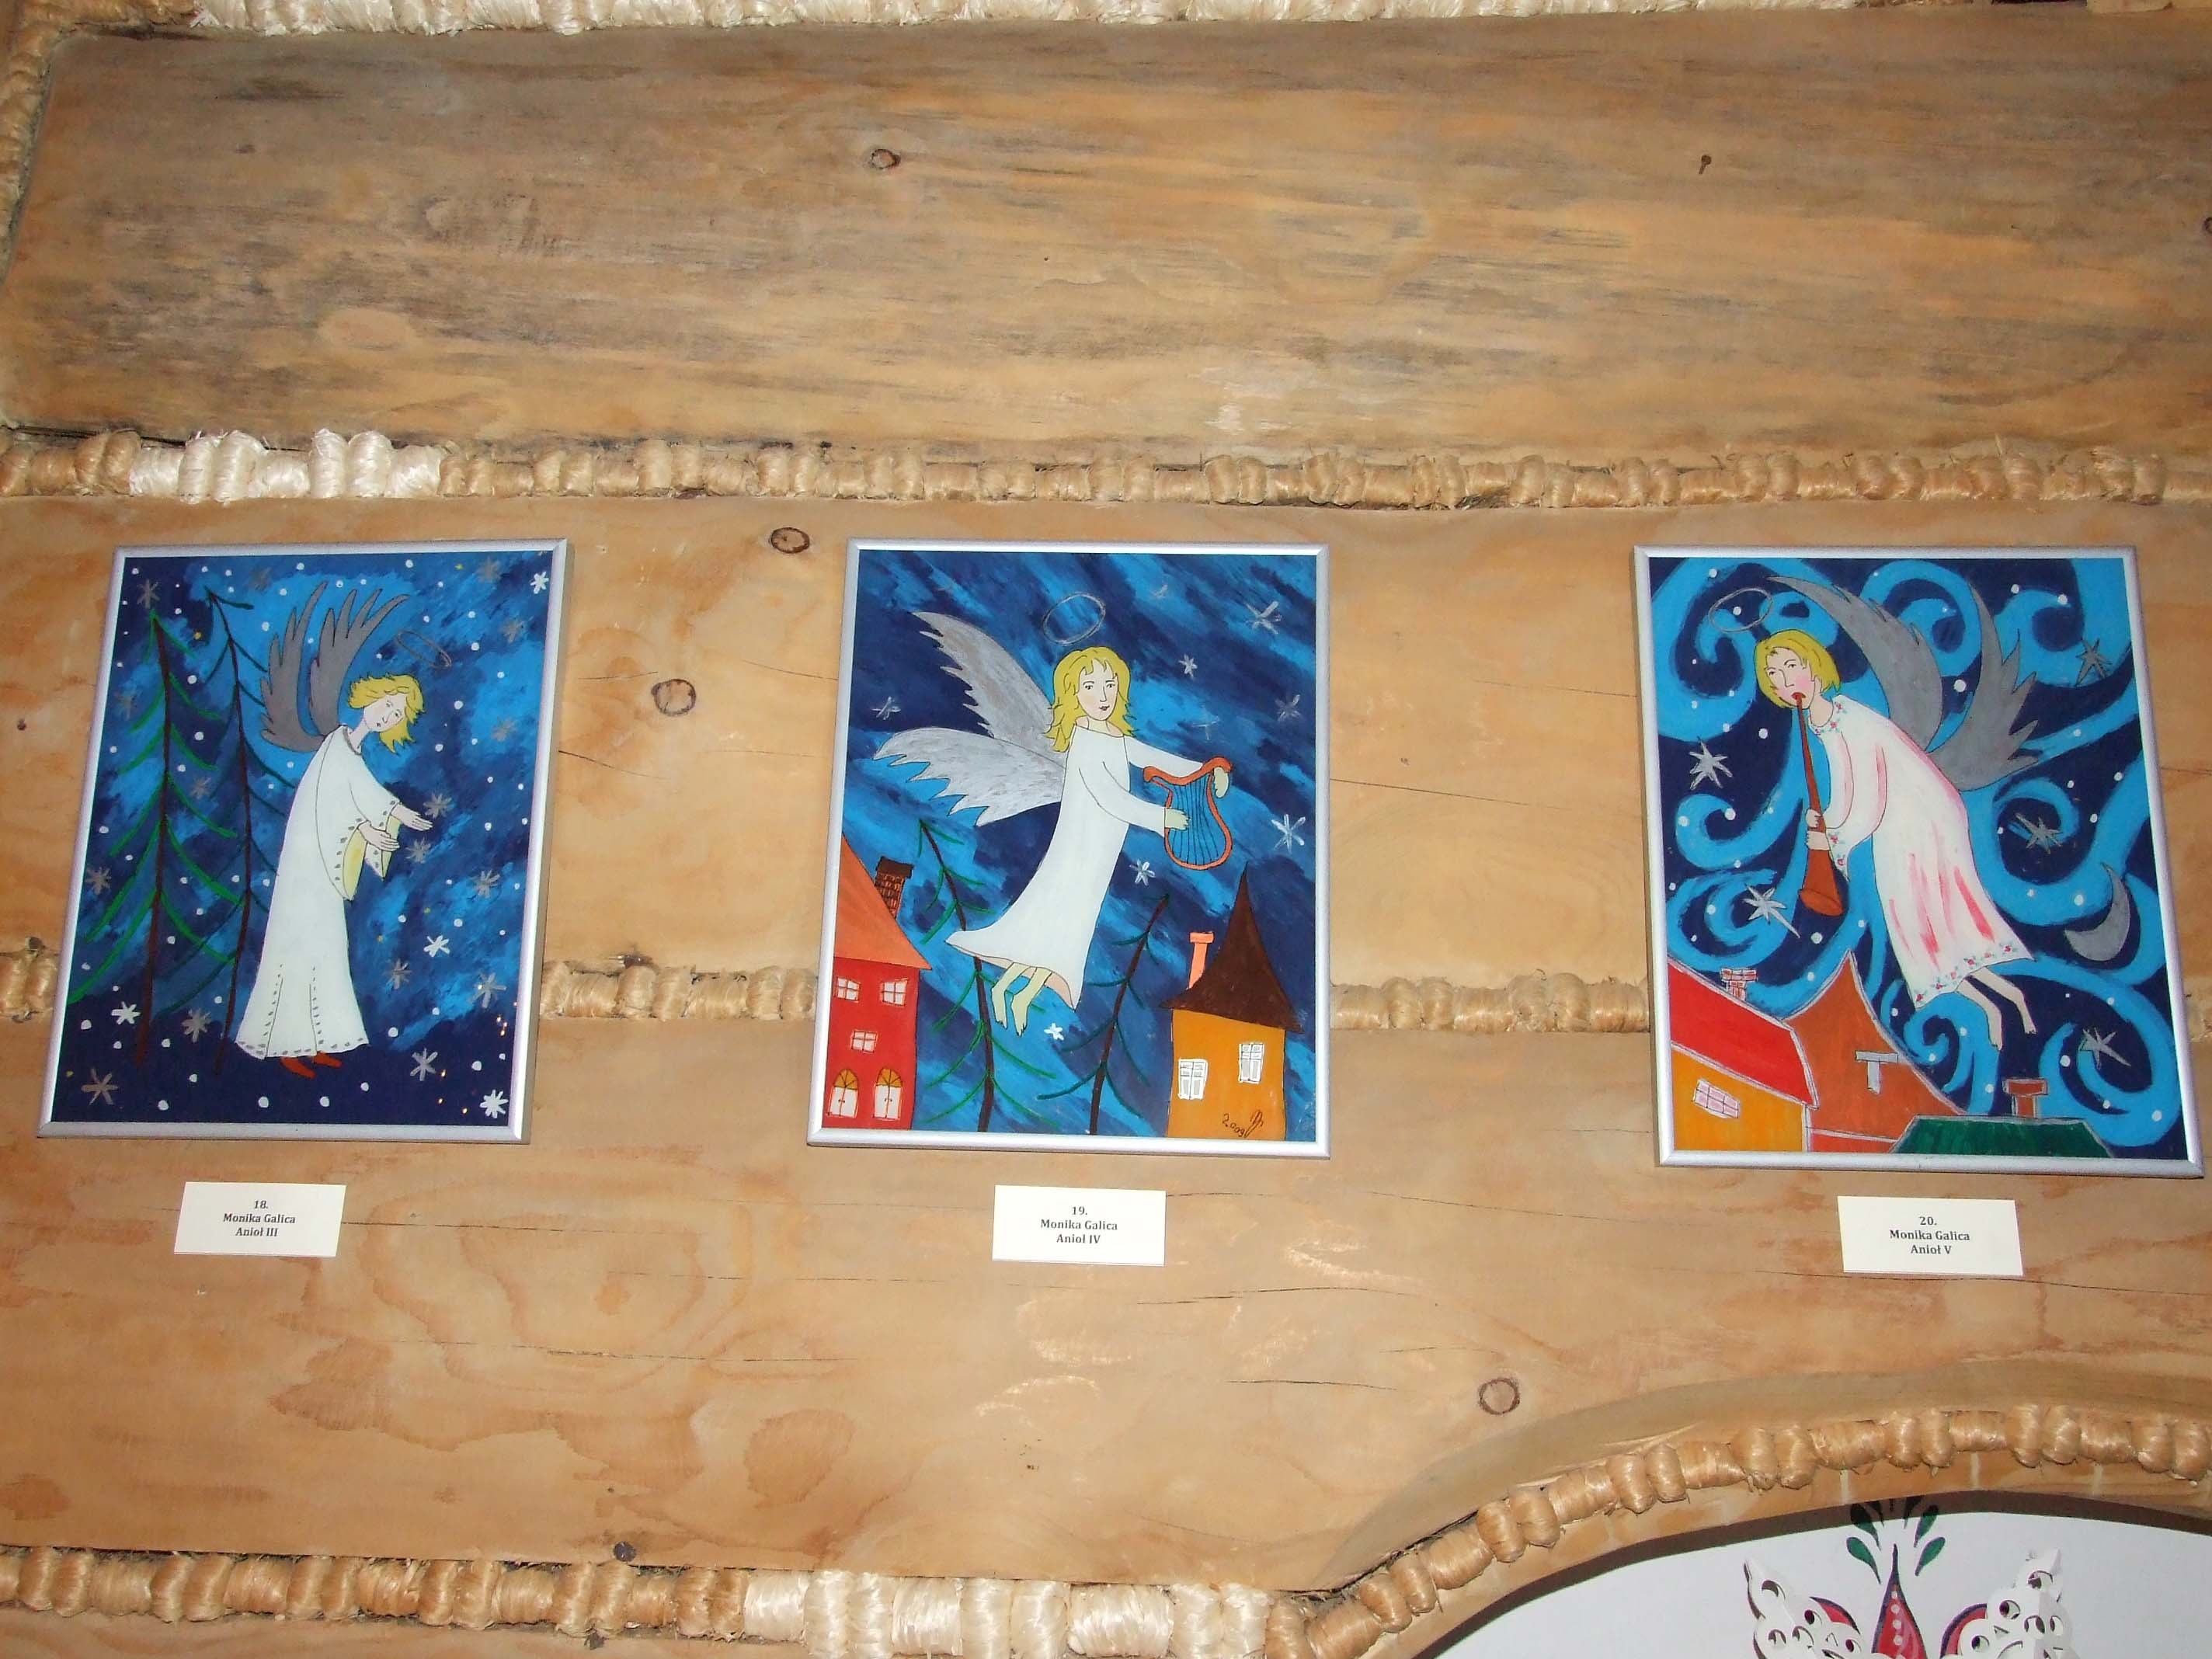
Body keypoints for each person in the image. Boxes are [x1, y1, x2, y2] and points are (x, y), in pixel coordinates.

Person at [1756, 629, 2033, 1048]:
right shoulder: (1821, 722)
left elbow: (1867, 790)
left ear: (1814, 666)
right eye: (1774, 675)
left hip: (1918, 820)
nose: (1784, 680)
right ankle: (1998, 1004)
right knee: (1918, 928)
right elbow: (1850, 790)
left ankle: (2006, 1002)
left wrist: (1833, 837)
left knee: (1929, 918)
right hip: (1894, 824)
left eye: (1791, 666)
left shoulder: (1848, 718)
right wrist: (1828, 826)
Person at [950, 645, 1226, 1034]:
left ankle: (1021, 996)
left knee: (1068, 927)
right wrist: (1161, 819)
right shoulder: (1083, 740)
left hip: (1099, 854)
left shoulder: (1113, 735)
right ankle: (1005, 993)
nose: (1102, 695)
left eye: (1110, 685)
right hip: (1077, 850)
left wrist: (1206, 772)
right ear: (1073, 695)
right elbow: (1109, 797)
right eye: (1091, 686)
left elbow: (1154, 758)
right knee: (1051, 917)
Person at [236, 673, 435, 1076]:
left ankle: (318, 1040)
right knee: (297, 947)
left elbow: (363, 794)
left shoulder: (352, 753)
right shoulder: (336, 746)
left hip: (322, 874)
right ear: (370, 697)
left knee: (325, 948)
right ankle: (286, 1044)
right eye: (387, 704)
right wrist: (370, 828)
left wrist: (394, 815)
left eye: (396, 714)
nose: (387, 715)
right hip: (307, 871)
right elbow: (327, 805)